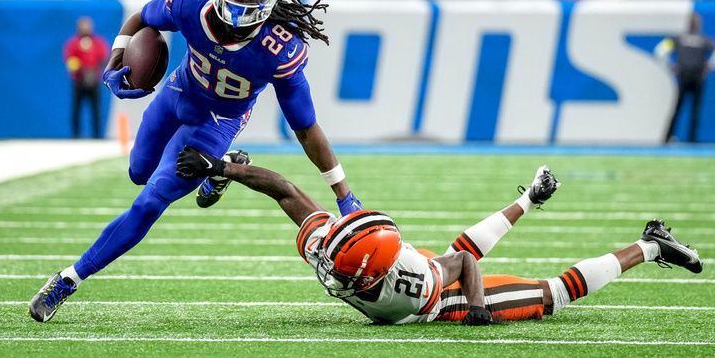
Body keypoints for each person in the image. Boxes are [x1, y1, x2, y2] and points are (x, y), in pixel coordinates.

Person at [28, 0, 363, 322]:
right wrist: (115, 61)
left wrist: (343, 194)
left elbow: (306, 128)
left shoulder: (278, 49)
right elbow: (143, 18)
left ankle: (68, 279)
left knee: (149, 201)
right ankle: (216, 180)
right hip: (177, 93)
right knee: (138, 172)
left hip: (216, 122)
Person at [173, 146, 703, 326]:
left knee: (546, 296)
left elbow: (285, 190)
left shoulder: (341, 257)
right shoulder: (372, 264)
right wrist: (227, 168)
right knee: (491, 268)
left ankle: (651, 243)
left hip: (434, 285)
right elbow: (286, 191)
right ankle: (539, 203)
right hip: (424, 286)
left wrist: (476, 308)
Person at [656, 13, 715, 143]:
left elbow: (660, 51)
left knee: (678, 109)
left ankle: (667, 139)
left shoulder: (679, 38)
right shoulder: (704, 40)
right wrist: (709, 67)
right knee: (695, 110)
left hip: (683, 76)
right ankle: (692, 141)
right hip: (697, 77)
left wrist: (669, 66)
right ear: (699, 24)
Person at [62, 17, 109, 138]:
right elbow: (69, 59)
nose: (85, 28)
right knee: (76, 109)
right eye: (83, 26)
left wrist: (94, 70)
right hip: (79, 80)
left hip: (94, 80)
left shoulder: (98, 42)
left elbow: (104, 57)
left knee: (96, 110)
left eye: (87, 26)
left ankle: (97, 136)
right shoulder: (73, 43)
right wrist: (80, 70)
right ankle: (76, 136)